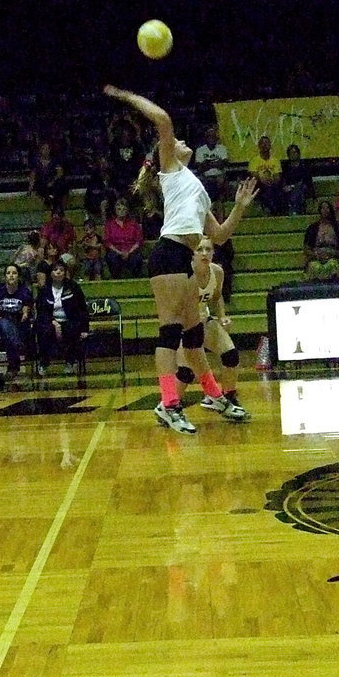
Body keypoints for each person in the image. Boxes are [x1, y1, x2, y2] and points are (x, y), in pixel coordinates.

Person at [104, 84, 258, 433]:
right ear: (169, 151)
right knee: (170, 332)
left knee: (193, 335)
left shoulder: (196, 187)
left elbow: (217, 236)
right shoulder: (171, 170)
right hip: (168, 253)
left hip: (184, 257)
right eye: (177, 141)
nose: (182, 141)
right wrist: (127, 96)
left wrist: (238, 208)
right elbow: (161, 118)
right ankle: (169, 404)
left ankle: (214, 395)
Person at [175, 236, 246, 412]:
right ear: (192, 254)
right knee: (186, 372)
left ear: (214, 253)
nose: (204, 253)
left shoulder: (217, 272)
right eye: (200, 250)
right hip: (184, 327)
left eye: (208, 249)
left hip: (204, 321)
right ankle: (170, 407)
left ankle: (228, 397)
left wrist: (222, 316)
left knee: (231, 355)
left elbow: (216, 297)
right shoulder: (183, 274)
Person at [34, 263, 89, 376]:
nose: (58, 272)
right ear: (50, 273)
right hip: (51, 321)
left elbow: (82, 309)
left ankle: (70, 361)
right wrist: (54, 323)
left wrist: (85, 329)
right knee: (44, 330)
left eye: (61, 270)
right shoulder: (45, 289)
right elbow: (41, 311)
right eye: (55, 270)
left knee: (72, 329)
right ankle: (44, 362)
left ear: (65, 273)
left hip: (70, 320)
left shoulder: (73, 287)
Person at [0, 263, 34, 381]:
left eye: (14, 273)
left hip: (19, 325)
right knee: (5, 325)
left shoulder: (24, 292)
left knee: (10, 336)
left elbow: (25, 313)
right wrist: (4, 321)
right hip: (1, 324)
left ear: (19, 276)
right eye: (8, 273)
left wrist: (22, 317)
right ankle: (17, 346)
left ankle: (13, 367)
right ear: (4, 277)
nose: (11, 276)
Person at [103, 197, 145, 278]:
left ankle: (135, 279)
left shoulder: (133, 224)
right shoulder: (109, 224)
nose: (121, 211)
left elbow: (139, 241)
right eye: (119, 209)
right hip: (116, 251)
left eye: (123, 209)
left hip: (131, 250)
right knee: (112, 258)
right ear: (115, 210)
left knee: (137, 258)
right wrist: (119, 252)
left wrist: (129, 252)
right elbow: (107, 242)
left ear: (127, 210)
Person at [246, 135, 283, 215]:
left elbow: (277, 176)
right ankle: (272, 209)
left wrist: (271, 180)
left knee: (276, 187)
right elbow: (253, 174)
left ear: (270, 145)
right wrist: (262, 179)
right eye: (262, 143)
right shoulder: (254, 160)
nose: (264, 145)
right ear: (259, 146)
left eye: (266, 143)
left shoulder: (275, 160)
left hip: (272, 184)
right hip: (259, 184)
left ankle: (273, 209)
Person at [194, 126, 229, 202]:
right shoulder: (200, 150)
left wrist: (207, 163)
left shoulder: (222, 148)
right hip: (205, 176)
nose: (212, 138)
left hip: (219, 176)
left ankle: (219, 204)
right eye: (209, 136)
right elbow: (200, 168)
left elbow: (223, 164)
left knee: (221, 181)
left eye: (213, 136)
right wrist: (215, 163)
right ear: (206, 137)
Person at [281, 144, 315, 216]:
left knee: (298, 189)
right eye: (290, 153)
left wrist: (294, 186)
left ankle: (294, 210)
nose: (293, 155)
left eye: (294, 152)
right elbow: (284, 181)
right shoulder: (286, 168)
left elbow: (307, 181)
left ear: (299, 154)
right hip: (289, 189)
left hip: (303, 188)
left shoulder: (305, 166)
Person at [77, 217, 108, 281]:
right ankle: (85, 281)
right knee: (86, 269)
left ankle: (98, 281)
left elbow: (100, 246)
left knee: (98, 268)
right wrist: (83, 245)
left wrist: (91, 245)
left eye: (88, 229)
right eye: (85, 230)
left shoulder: (97, 237)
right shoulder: (85, 238)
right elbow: (81, 246)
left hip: (97, 258)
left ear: (93, 229)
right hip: (88, 259)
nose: (87, 232)